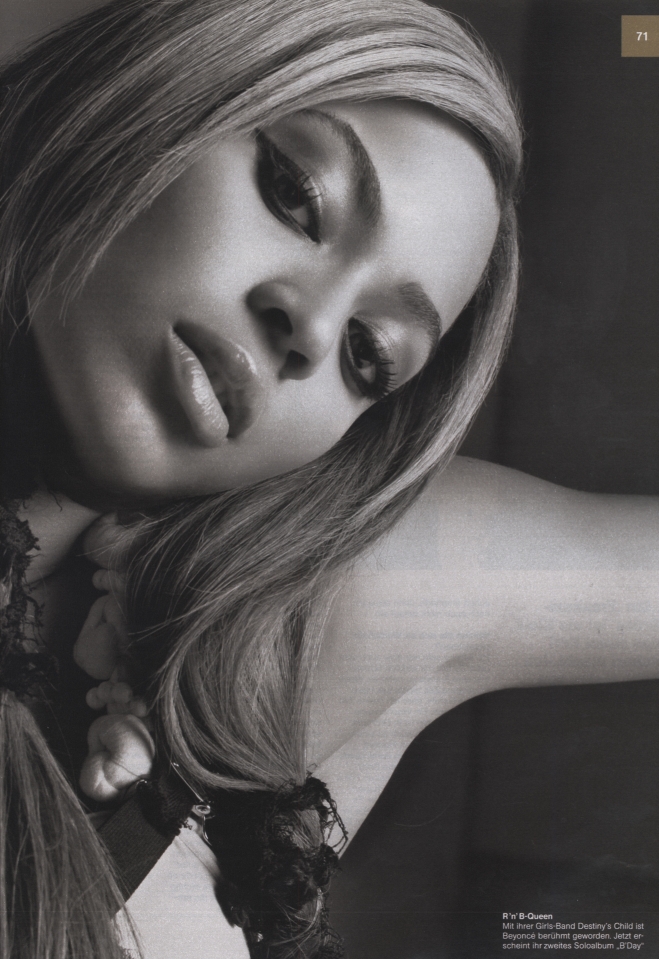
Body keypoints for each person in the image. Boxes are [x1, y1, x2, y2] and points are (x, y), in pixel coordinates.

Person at [0, 1, 657, 957]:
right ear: (140, 97)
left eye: (367, 353)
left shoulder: (286, 635)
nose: (310, 329)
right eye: (293, 194)